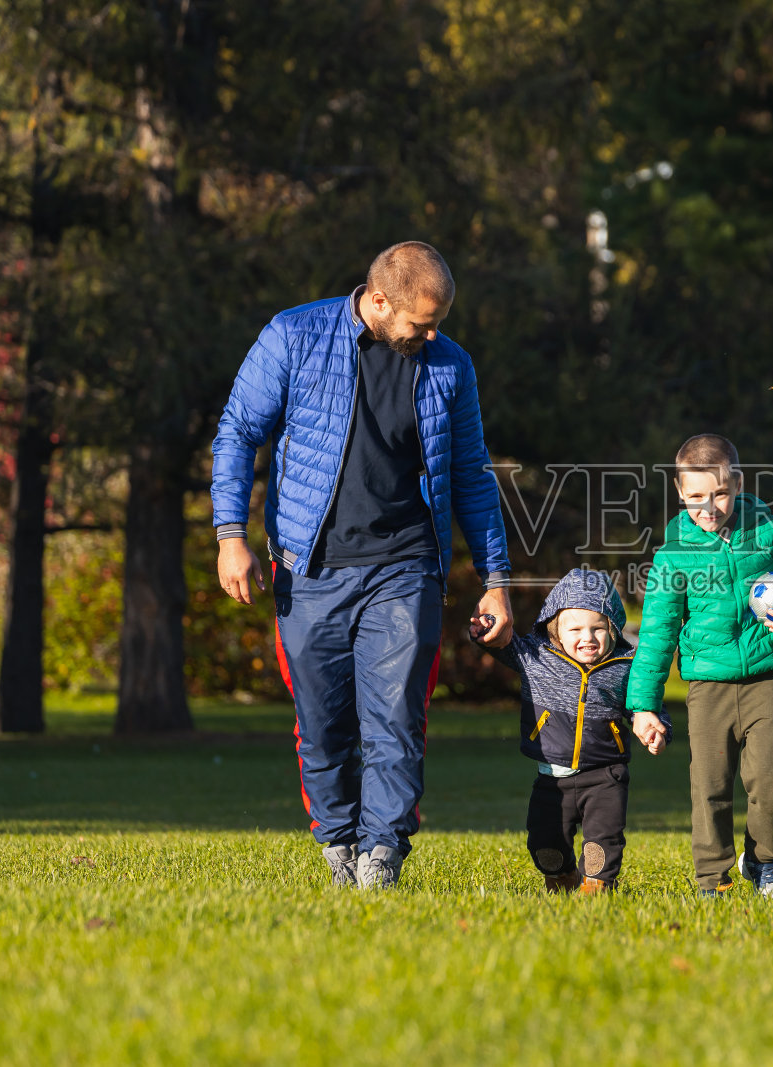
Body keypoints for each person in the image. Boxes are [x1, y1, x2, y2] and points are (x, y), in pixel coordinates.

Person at [210, 241, 513, 890]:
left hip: (405, 569)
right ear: (379, 301)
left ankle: (382, 854)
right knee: (321, 726)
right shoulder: (294, 337)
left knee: (396, 720)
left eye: (439, 323)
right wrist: (230, 534)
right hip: (310, 569)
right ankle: (338, 841)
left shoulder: (449, 366)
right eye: (421, 323)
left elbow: (472, 477)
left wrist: (497, 581)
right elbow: (238, 431)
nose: (433, 334)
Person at [625, 434, 773, 897]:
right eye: (696, 497)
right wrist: (643, 706)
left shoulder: (770, 529)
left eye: (719, 493)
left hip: (764, 679)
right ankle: (711, 879)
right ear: (680, 493)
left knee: (772, 775)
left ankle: (763, 864)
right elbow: (657, 636)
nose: (709, 506)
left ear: (736, 483)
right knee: (710, 786)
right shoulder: (674, 554)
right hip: (707, 686)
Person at [471, 568, 670, 894]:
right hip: (552, 775)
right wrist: (485, 630)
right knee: (544, 843)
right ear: (555, 630)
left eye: (598, 629)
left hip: (606, 773)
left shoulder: (625, 666)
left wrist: (654, 727)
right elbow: (502, 644)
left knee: (603, 840)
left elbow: (645, 704)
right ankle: (561, 876)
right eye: (575, 628)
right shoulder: (536, 656)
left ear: (614, 629)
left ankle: (597, 884)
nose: (587, 638)